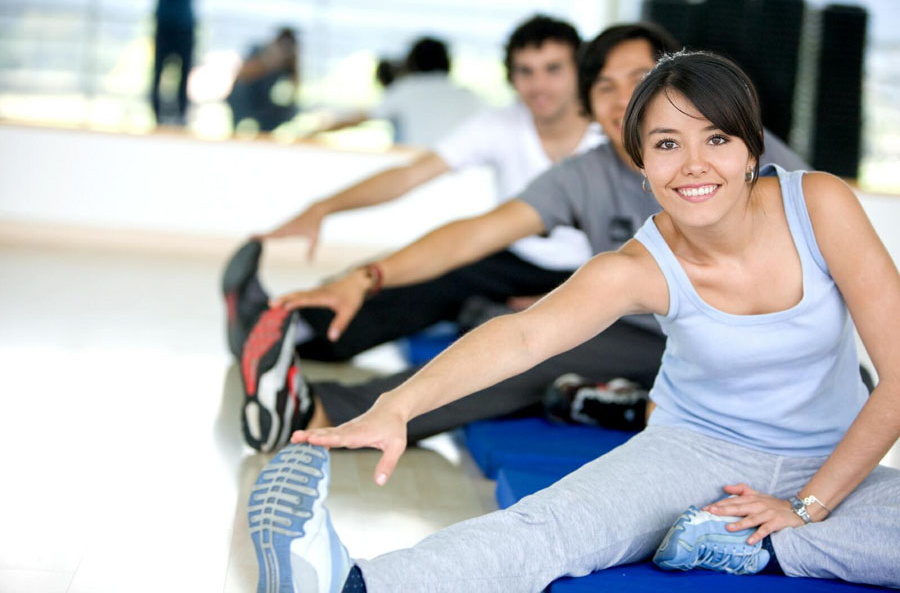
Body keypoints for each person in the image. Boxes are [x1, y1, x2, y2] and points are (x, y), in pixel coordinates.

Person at [247, 50, 900, 593]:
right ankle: (350, 583)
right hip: (695, 451)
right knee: (553, 528)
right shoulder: (639, 266)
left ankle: (751, 544)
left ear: (753, 149)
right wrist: (398, 405)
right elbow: (522, 336)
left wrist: (802, 509)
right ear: (641, 163)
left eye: (717, 138)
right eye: (667, 144)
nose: (695, 164)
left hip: (837, 457)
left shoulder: (819, 205)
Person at [231, 23, 808, 452]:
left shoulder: (740, 144)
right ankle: (319, 405)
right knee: (523, 341)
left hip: (751, 340)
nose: (619, 98)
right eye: (602, 86)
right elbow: (475, 234)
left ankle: (622, 402)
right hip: (644, 333)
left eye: (639, 79)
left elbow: (822, 243)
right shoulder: (584, 173)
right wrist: (365, 277)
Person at [226, 15, 606, 446]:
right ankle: (286, 330)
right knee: (421, 275)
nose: (539, 85)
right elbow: (408, 177)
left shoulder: (608, 135)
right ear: (511, 75)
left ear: (580, 69)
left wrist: (562, 298)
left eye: (554, 69)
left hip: (592, 272)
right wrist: (324, 208)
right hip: (511, 255)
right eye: (525, 71)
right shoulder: (502, 124)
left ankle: (350, 405)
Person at [314, 37, 484, 147]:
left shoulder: (407, 89)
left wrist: (310, 132)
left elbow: (357, 118)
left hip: (415, 169)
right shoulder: (470, 95)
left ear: (413, 63)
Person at [226, 27, 300, 132]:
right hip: (244, 98)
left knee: (291, 110)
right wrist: (268, 60)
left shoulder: (286, 63)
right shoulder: (259, 50)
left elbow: (294, 88)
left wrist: (293, 65)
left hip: (263, 105)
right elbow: (242, 74)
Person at [150, 0, 195, 125]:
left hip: (183, 23)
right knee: (158, 73)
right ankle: (157, 116)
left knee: (183, 75)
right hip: (167, 22)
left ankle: (181, 115)